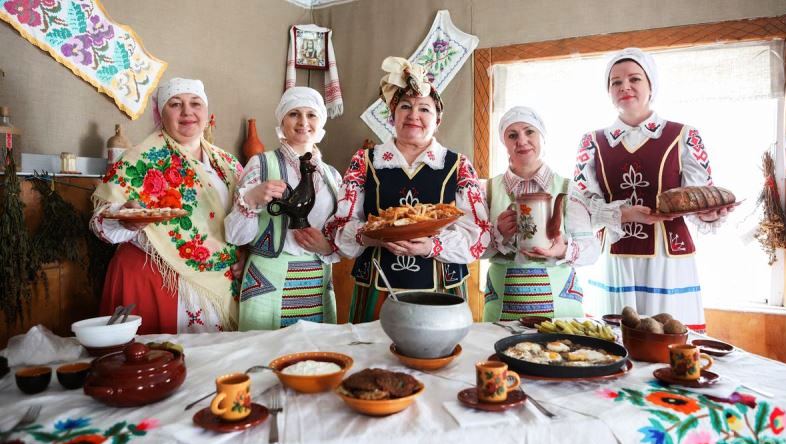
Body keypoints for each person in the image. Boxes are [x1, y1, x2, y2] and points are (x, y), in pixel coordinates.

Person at [573, 48, 734, 330]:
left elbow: (698, 198)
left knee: (668, 341)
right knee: (613, 343)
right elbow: (582, 206)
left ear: (651, 85)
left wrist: (710, 215)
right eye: (616, 82)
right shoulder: (592, 142)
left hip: (668, 258)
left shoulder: (684, 135)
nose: (625, 87)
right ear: (608, 91)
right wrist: (623, 215)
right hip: (614, 257)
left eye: (634, 78)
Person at [324, 56, 491, 323]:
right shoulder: (364, 161)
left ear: (438, 120)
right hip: (375, 287)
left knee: (436, 355)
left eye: (424, 109)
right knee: (373, 359)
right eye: (405, 106)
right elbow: (339, 226)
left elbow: (479, 234)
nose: (414, 115)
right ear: (393, 116)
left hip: (441, 290)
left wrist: (431, 245)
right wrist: (373, 237)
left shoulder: (458, 166)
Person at [91, 78, 243, 334]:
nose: (187, 111)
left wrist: (246, 252)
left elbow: (246, 217)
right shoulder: (138, 159)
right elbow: (99, 225)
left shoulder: (228, 163)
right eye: (175, 104)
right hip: (159, 281)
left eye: (195, 103)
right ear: (161, 114)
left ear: (206, 113)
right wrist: (126, 219)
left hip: (220, 283)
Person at [225, 87, 340, 330]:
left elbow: (341, 231)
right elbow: (236, 236)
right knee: (265, 357)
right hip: (268, 276)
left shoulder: (332, 176)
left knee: (316, 359)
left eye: (311, 115)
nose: (303, 122)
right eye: (294, 114)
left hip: (317, 279)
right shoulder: (261, 164)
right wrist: (252, 199)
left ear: (321, 122)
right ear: (282, 120)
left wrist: (328, 246)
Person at [483, 106, 600, 322]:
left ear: (543, 137)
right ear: (504, 144)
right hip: (502, 304)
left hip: (561, 308)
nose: (522, 140)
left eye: (529, 132)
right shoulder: (487, 189)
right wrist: (496, 233)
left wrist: (563, 249)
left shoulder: (569, 189)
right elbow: (473, 250)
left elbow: (592, 250)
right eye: (512, 135)